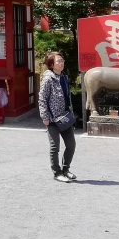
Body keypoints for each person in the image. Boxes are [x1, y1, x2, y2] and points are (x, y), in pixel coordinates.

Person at [38, 51, 76, 182]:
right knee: (55, 147)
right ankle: (57, 172)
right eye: (58, 61)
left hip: (65, 116)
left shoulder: (64, 77)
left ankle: (66, 169)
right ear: (51, 64)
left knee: (71, 145)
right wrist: (45, 117)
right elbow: (42, 98)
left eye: (62, 60)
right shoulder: (48, 78)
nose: (61, 63)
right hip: (52, 118)